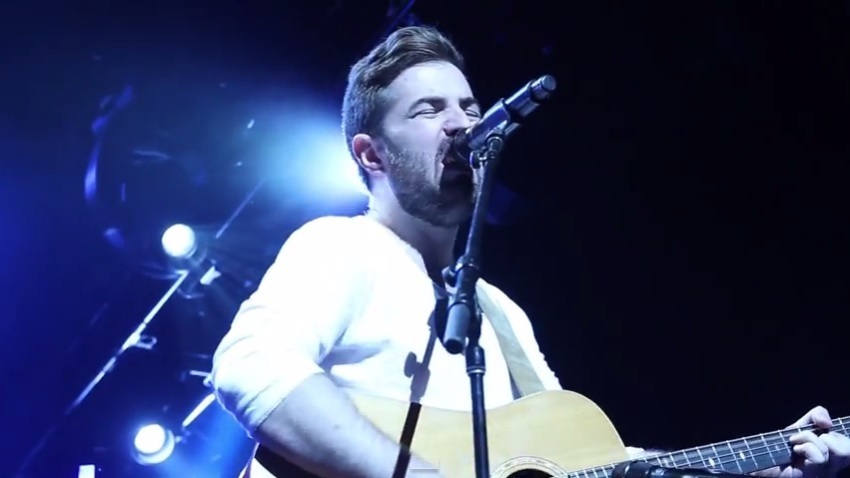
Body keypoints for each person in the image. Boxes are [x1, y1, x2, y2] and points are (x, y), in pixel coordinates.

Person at [210, 25, 850, 478]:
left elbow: (587, 465)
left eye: (467, 104)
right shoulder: (342, 246)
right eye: (430, 110)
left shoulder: (502, 312)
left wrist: (768, 463)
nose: (463, 123)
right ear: (370, 154)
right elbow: (251, 368)